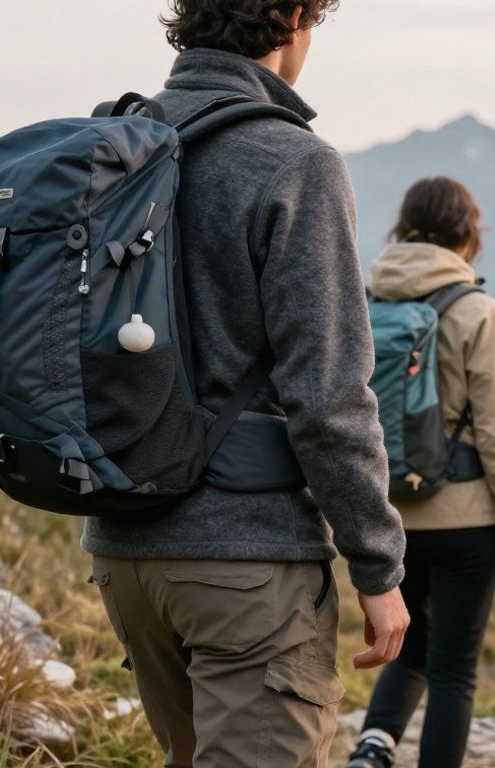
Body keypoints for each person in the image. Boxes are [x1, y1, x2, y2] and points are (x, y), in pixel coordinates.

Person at [82, 2, 410, 766]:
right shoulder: (292, 159)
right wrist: (377, 565)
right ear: (295, 16)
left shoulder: (110, 146)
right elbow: (329, 395)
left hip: (121, 547)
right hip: (243, 564)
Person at [346, 177, 495, 768]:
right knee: (453, 669)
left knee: (406, 645)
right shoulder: (477, 311)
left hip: (385, 515)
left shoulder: (362, 300)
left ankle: (373, 747)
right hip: (464, 518)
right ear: (468, 232)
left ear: (402, 228)